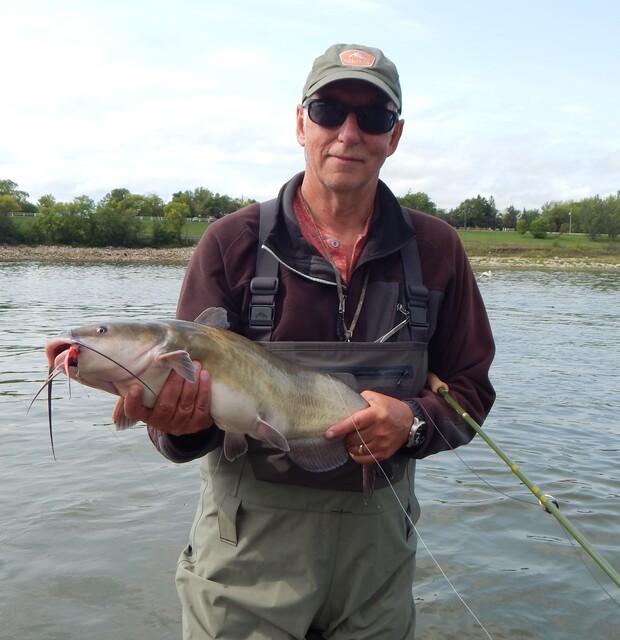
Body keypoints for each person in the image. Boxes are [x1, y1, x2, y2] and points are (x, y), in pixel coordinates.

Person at [121, 43, 495, 640]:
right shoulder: (230, 243)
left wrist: (414, 423)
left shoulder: (439, 249)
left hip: (378, 554)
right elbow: (176, 439)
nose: (348, 132)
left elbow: (470, 391)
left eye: (372, 117)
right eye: (328, 110)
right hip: (247, 549)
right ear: (301, 123)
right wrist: (174, 423)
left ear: (394, 136)